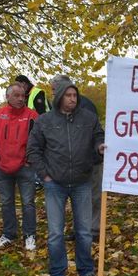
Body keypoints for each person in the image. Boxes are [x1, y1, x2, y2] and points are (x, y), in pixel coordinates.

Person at [27, 79, 105, 276]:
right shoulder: (45, 121)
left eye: (75, 95)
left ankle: (86, 270)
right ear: (60, 97)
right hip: (55, 184)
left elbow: (99, 135)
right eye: (68, 95)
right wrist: (45, 175)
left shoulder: (88, 118)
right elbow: (33, 149)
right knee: (55, 232)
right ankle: (58, 273)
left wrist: (99, 147)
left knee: (84, 231)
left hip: (81, 181)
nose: (73, 99)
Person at [0, 83, 39, 251]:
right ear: (7, 97)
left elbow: (37, 141)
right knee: (6, 202)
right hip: (2, 167)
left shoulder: (33, 116)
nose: (21, 99)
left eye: (23, 95)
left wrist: (29, 160)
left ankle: (30, 235)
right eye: (16, 95)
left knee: (28, 202)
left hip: (24, 167)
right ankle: (9, 234)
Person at [50, 75, 105, 242]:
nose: (52, 94)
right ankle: (81, 228)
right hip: (74, 163)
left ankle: (94, 229)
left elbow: (93, 134)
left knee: (93, 195)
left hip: (91, 160)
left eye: (54, 90)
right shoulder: (58, 110)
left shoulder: (85, 106)